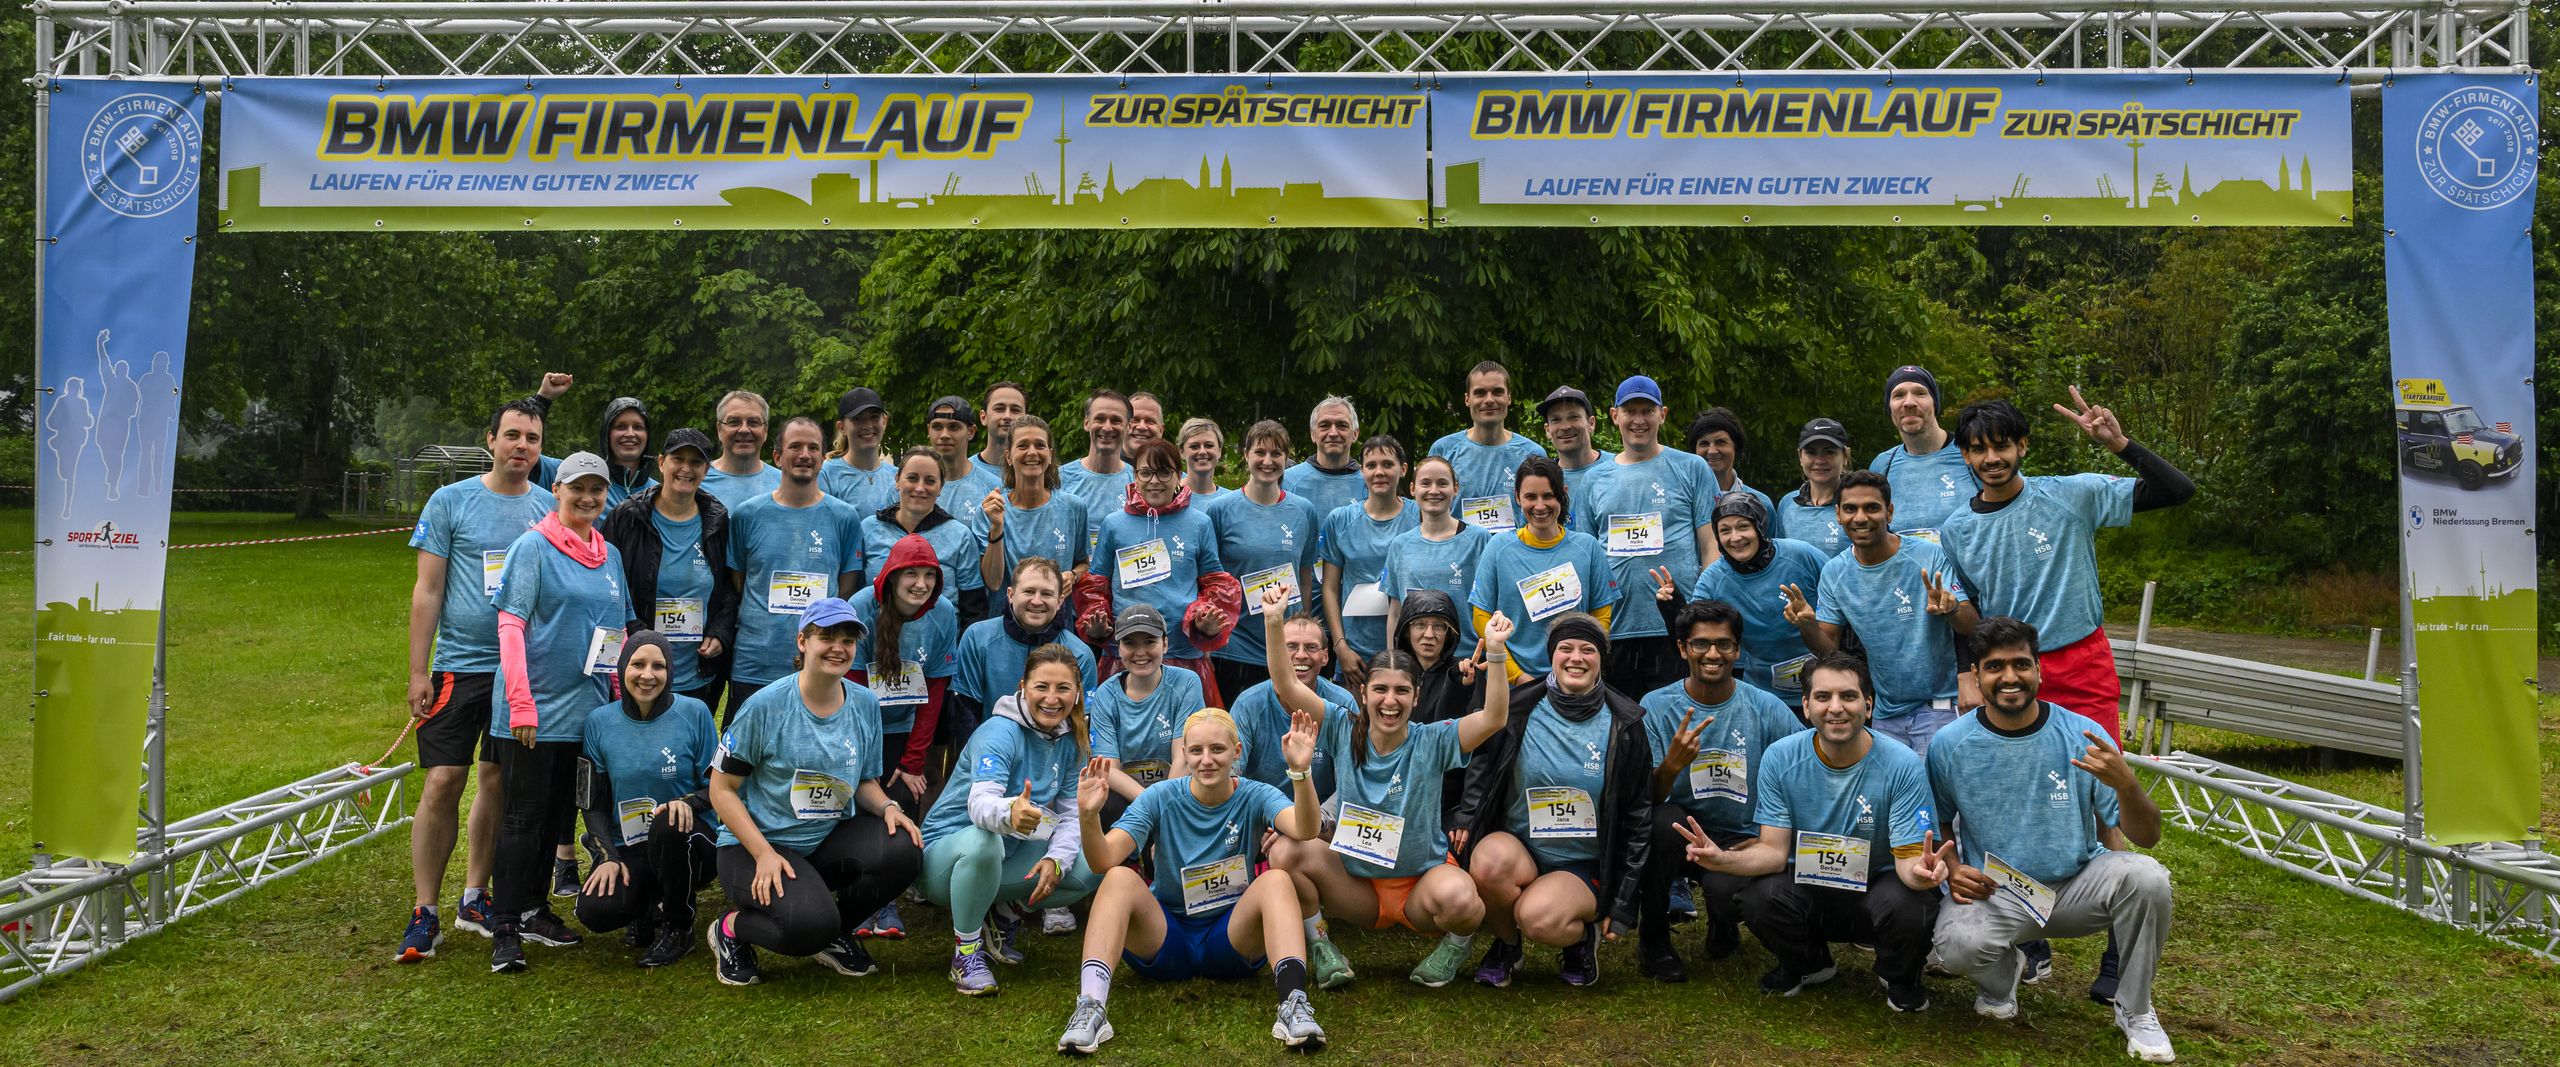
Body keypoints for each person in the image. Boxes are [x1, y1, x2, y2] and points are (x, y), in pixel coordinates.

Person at [1928, 617, 2176, 1063]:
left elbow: (2149, 836)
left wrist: (2128, 784)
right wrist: (1952, 869)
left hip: (2079, 883)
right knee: (1956, 946)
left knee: (2148, 878)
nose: (2009, 677)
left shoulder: (2083, 735)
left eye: (2021, 664)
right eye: (1994, 666)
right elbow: (1942, 821)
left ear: (2039, 670)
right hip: (2000, 892)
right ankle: (2003, 980)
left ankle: (2135, 1009)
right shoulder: (1948, 744)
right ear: (1977, 675)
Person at [1267, 585, 1518, 989]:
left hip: (1419, 885)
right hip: (1357, 885)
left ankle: (1454, 947)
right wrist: (1274, 621)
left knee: (1463, 901)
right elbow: (1286, 687)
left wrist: (1496, 650)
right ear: (1363, 694)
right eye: (1380, 689)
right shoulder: (1341, 727)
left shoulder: (1433, 740)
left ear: (1416, 697)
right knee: (1285, 850)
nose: (1390, 700)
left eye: (1402, 690)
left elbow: (1493, 718)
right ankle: (1322, 946)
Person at [1670, 653, 1951, 1012]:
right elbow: (1772, 851)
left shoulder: (1903, 764)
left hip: (1878, 885)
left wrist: (1922, 872)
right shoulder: (1780, 758)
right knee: (1754, 895)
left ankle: (1899, 975)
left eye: (1848, 697)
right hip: (1810, 884)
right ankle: (1809, 964)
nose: (1836, 708)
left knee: (1912, 905)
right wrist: (1722, 859)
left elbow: (1908, 858)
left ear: (1868, 705)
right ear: (1805, 705)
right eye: (1823, 697)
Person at [1054, 707, 1328, 1054]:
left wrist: (1301, 772)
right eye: (1196, 751)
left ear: (1237, 752)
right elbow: (1101, 859)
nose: (1207, 760)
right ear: (1184, 753)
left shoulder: (1256, 794)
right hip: (1167, 936)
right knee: (1119, 877)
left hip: (1230, 937)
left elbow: (1305, 829)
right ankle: (1090, 1007)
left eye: (1218, 749)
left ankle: (1293, 1004)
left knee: (1277, 881)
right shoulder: (1160, 797)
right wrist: (1089, 816)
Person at [1937, 393, 2194, 742]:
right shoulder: (1955, 530)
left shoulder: (2072, 495)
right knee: (2026, 780)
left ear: (2023, 446)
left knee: (2100, 777)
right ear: (1965, 455)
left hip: (2082, 663)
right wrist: (1969, 673)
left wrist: (2120, 444)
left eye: (2002, 446)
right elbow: (1968, 613)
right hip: (2010, 671)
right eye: (1979, 449)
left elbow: (2178, 490)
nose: (1992, 458)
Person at [396, 399, 556, 963]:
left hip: (519, 670)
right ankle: (425, 911)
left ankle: (474, 897)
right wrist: (420, 670)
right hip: (459, 667)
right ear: (490, 440)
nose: (522, 447)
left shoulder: (549, 507)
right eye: (512, 435)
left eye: (532, 439)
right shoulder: (451, 501)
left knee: (496, 781)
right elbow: (428, 591)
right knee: (443, 781)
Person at [703, 597, 925, 986]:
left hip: (822, 842)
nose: (839, 648)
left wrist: (889, 807)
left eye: (848, 639)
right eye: (827, 637)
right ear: (803, 641)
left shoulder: (865, 704)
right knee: (808, 926)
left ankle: (836, 934)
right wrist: (764, 854)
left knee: (903, 849)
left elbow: (864, 783)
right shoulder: (765, 706)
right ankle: (731, 929)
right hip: (753, 848)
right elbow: (721, 790)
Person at [486, 452, 633, 973]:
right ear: (558, 490)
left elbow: (615, 634)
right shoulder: (533, 547)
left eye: (597, 489)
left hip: (584, 713)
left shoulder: (609, 555)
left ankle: (534, 909)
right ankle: (504, 925)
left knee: (556, 817)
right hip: (532, 713)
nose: (588, 498)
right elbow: (510, 626)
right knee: (522, 818)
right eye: (577, 488)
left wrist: (616, 702)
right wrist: (521, 702)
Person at [1453, 612, 1652, 988]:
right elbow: (1482, 761)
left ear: (1601, 661)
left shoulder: (1625, 723)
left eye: (1588, 650)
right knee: (1488, 863)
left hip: (1580, 865)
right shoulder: (1518, 707)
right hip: (1520, 848)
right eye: (1565, 648)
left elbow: (1638, 815)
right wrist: (1466, 816)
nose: (1576, 658)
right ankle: (1506, 945)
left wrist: (1624, 904)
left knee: (1539, 918)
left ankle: (1580, 940)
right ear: (1551, 656)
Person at [1632, 600, 1805, 982]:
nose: (1713, 654)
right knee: (1659, 823)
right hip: (1681, 835)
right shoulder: (1655, 707)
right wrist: (1673, 762)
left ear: (1737, 650)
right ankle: (1654, 940)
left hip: (1741, 837)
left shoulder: (1767, 708)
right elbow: (1646, 798)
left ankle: (1723, 923)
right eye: (1701, 644)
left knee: (1726, 889)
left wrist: (1770, 839)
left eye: (1724, 644)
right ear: (1682, 649)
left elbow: (1803, 771)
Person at [919, 644, 1107, 995]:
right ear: (1023, 687)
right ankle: (966, 953)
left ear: (1077, 693)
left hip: (1010, 852)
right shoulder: (1000, 732)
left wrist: (1055, 858)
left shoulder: (1072, 739)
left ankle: (1003, 912)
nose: (1052, 698)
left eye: (1063, 688)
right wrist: (1009, 812)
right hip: (947, 857)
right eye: (1042, 687)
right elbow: (979, 805)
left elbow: (1068, 816)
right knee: (983, 841)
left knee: (1092, 863)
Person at [1788, 470, 1977, 759]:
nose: (1860, 517)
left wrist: (1951, 609)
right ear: (1838, 514)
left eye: (1872, 508)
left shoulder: (1927, 556)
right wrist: (1808, 626)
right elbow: (1829, 648)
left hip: (1940, 705)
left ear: (1889, 512)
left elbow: (1971, 625)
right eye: (1850, 509)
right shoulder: (1835, 572)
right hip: (1885, 711)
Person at [574, 631, 721, 968]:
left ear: (669, 672)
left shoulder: (695, 713)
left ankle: (678, 927)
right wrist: (607, 856)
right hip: (630, 844)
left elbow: (718, 786)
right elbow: (590, 801)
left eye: (658, 666)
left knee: (668, 822)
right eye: (638, 664)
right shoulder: (599, 722)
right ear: (623, 667)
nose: (647, 675)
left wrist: (688, 803)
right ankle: (646, 906)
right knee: (595, 911)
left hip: (689, 840)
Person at [843, 533, 960, 940]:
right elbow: (853, 691)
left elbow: (936, 692)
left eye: (928, 575)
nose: (920, 583)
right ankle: (857, 896)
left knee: (905, 799)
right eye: (910, 573)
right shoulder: (861, 607)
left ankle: (887, 896)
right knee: (863, 806)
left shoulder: (943, 613)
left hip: (907, 728)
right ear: (891, 576)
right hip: (860, 729)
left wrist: (912, 761)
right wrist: (868, 766)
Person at [1577, 375, 1717, 696]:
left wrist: (1701, 615)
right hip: (1614, 627)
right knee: (1622, 732)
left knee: (1674, 723)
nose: (1639, 420)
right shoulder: (1593, 480)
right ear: (1615, 416)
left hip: (1676, 626)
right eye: (1630, 411)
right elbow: (1585, 558)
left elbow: (1710, 547)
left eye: (1647, 410)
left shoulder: (1692, 467)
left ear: (1662, 414)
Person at [1079, 437, 1241, 703]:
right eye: (1146, 472)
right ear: (1135, 476)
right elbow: (1096, 586)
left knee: (1188, 737)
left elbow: (1215, 583)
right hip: (1126, 654)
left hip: (1182, 655)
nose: (1154, 481)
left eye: (1164, 472)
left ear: (1179, 475)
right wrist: (1097, 625)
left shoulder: (1199, 523)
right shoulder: (1114, 524)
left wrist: (1205, 622)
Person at [724, 418, 862, 726]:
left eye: (813, 448)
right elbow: (740, 580)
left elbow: (847, 585)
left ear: (823, 458)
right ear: (776, 456)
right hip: (755, 663)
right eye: (795, 446)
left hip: (818, 665)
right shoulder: (747, 515)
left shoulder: (844, 517)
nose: (805, 455)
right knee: (745, 762)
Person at [602, 427, 739, 715]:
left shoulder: (718, 520)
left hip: (697, 674)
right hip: (636, 670)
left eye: (696, 462)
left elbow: (730, 586)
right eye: (679, 459)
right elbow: (605, 586)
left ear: (707, 469)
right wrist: (639, 638)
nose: (686, 469)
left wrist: (720, 631)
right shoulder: (628, 517)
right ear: (662, 462)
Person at [1202, 419, 1322, 701]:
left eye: (1276, 454)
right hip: (1235, 647)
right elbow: (1208, 578)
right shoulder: (1220, 510)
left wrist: (1301, 627)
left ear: (1286, 458)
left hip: (1289, 649)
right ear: (1246, 455)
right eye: (1260, 453)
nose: (1268, 461)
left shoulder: (1303, 511)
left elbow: (1305, 575)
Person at [1468, 456, 1615, 682]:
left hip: (1575, 681)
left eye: (1548, 495)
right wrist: (1517, 676)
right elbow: (1481, 617)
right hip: (1514, 686)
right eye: (1530, 497)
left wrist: (1579, 669)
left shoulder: (1588, 548)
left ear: (1563, 493)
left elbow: (1601, 616)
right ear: (1517, 497)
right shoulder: (1498, 547)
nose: (1539, 506)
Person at [1685, 492, 1826, 711]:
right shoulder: (1714, 578)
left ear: (1759, 527)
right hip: (1762, 694)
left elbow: (1840, 590)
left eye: (1743, 527)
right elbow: (1690, 626)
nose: (1735, 538)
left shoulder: (1800, 554)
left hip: (1823, 688)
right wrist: (1670, 603)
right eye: (1725, 531)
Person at [955, 557, 1100, 734]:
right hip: (992, 751)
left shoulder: (1081, 655)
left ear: (1060, 601)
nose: (1037, 601)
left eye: (1047, 594)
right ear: (1010, 595)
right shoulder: (977, 638)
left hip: (1054, 754)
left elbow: (1081, 723)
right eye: (1029, 591)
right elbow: (966, 713)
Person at [1087, 605, 1209, 810]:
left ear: (1165, 644)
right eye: (1129, 643)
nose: (1140, 652)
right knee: (1104, 800)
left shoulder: (1186, 683)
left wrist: (1167, 806)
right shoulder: (1105, 694)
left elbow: (1184, 754)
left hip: (1178, 789)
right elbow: (1108, 768)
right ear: (1119, 647)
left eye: (1150, 642)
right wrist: (1152, 805)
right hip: (1130, 797)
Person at [1319, 434, 1418, 681]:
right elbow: (1330, 588)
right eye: (1371, 466)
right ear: (1362, 471)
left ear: (1403, 469)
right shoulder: (1340, 520)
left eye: (1387, 464)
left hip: (1411, 651)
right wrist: (1340, 647)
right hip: (1356, 655)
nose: (1379, 472)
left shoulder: (1421, 515)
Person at [1380, 454, 1492, 667]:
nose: (1434, 490)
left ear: (1455, 488)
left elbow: (1491, 604)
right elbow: (1395, 611)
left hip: (1466, 660)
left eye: (1442, 483)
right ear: (1413, 489)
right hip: (1415, 663)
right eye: (1426, 483)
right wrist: (1394, 662)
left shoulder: (1480, 539)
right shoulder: (1400, 544)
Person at [1229, 614, 1358, 796]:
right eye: (1291, 646)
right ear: (1277, 654)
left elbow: (1352, 779)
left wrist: (1322, 819)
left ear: (1325, 656)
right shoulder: (1248, 703)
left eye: (1311, 647)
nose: (1301, 655)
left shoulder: (1342, 701)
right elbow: (1231, 773)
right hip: (1262, 814)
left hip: (1324, 818)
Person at [976, 414, 1091, 612]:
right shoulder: (991, 510)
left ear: (1050, 455)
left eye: (1039, 445)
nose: (1032, 452)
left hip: (1057, 626)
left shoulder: (1073, 507)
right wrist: (996, 527)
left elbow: (1083, 564)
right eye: (1022, 446)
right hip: (1004, 623)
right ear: (1009, 457)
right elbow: (993, 583)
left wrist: (1072, 576)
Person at [857, 447, 984, 620]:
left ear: (941, 487)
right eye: (912, 478)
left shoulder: (960, 536)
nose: (919, 488)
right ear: (897, 480)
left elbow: (973, 608)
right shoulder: (868, 529)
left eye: (930, 481)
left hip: (938, 643)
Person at [1430, 361, 1549, 532]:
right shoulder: (1443, 450)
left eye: (1497, 392)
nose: (1489, 400)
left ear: (1509, 398)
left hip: (1513, 554)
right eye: (1480, 393)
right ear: (1467, 399)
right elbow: (1428, 512)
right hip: (1458, 554)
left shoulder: (1531, 453)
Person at [1869, 366, 1975, 534]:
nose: (1909, 403)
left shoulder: (1972, 452)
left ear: (1935, 403)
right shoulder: (1882, 465)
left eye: (1920, 393)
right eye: (1899, 395)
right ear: (1889, 408)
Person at [1058, 388, 1135, 557]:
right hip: (1072, 581)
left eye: (1116, 420)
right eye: (1100, 419)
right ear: (1086, 423)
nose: (1107, 427)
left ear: (1129, 427)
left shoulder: (1138, 482)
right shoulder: (1058, 479)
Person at [1282, 396, 1368, 525]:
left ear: (1355, 434)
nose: (1333, 433)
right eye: (1324, 425)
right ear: (1313, 434)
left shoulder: (1370, 483)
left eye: (1342, 425)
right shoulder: (1287, 481)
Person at [1686, 407, 1775, 528]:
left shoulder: (1760, 503)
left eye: (1721, 442)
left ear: (1736, 448)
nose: (1712, 451)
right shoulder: (1682, 501)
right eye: (1704, 444)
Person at [1780, 419, 1854, 557]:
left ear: (1845, 455)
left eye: (1829, 452)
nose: (1819, 460)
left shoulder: (1858, 504)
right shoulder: (1787, 504)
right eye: (1811, 452)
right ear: (1800, 456)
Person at [926, 395, 1004, 526]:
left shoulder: (993, 487)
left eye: (954, 427)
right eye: (937, 427)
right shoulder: (915, 487)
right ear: (928, 430)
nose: (944, 435)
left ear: (971, 432)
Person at [700, 390, 782, 512]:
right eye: (734, 422)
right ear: (719, 429)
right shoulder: (697, 481)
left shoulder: (783, 485)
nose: (744, 430)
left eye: (753, 422)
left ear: (765, 430)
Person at [819, 387, 898, 514]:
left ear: (884, 421)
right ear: (841, 427)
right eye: (857, 419)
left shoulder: (898, 477)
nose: (867, 425)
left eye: (874, 417)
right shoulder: (826, 474)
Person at [1538, 386, 1615, 513]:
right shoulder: (1542, 478)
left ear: (1591, 423)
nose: (1565, 426)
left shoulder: (1617, 467)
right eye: (1556, 420)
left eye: (1573, 417)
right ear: (1547, 430)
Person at [596, 397, 657, 508]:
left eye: (638, 427)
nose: (630, 434)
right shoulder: (584, 483)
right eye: (621, 427)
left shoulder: (661, 495)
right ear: (607, 433)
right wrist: (552, 396)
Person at [971, 380, 1030, 483]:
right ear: (983, 417)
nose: (1007, 416)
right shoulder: (965, 473)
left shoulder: (1040, 472)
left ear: (1026, 418)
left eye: (1015, 410)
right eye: (999, 409)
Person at [1176, 417, 1227, 502]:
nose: (1202, 452)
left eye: (1209, 445)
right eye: (1194, 446)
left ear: (1219, 451)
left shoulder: (1231, 502)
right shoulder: (1168, 496)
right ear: (1182, 452)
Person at [1125, 392, 1167, 457]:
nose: (1142, 427)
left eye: (1150, 421)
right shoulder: (1104, 464)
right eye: (1134, 420)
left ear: (1161, 430)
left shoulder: (1170, 466)